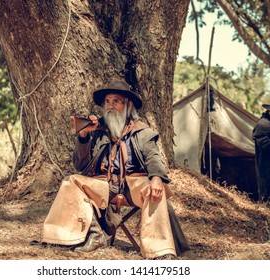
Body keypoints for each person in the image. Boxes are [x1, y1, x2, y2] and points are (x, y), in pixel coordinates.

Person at [40, 79, 195, 259]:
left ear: (127, 106)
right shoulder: (97, 131)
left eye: (116, 101)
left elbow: (153, 158)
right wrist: (83, 137)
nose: (110, 106)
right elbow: (81, 166)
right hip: (104, 185)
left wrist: (157, 178)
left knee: (155, 191)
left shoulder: (143, 132)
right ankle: (93, 235)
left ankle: (159, 251)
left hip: (134, 185)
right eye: (107, 102)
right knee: (71, 181)